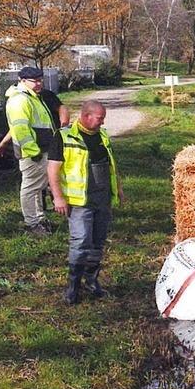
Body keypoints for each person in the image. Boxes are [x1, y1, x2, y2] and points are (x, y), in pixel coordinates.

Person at [47, 100, 125, 305]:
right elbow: (53, 170)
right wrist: (58, 197)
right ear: (86, 116)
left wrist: (118, 188)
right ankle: (73, 287)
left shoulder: (102, 136)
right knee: (81, 241)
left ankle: (92, 281)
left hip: (102, 198)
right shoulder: (64, 137)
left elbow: (111, 165)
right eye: (100, 118)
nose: (102, 122)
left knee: (97, 242)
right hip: (79, 201)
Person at [5, 67, 57, 236]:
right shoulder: (20, 100)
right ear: (22, 81)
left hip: (41, 150)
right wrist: (33, 151)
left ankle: (39, 219)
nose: (39, 84)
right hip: (33, 153)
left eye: (40, 80)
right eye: (34, 81)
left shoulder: (32, 97)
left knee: (37, 187)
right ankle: (32, 224)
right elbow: (20, 129)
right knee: (30, 188)